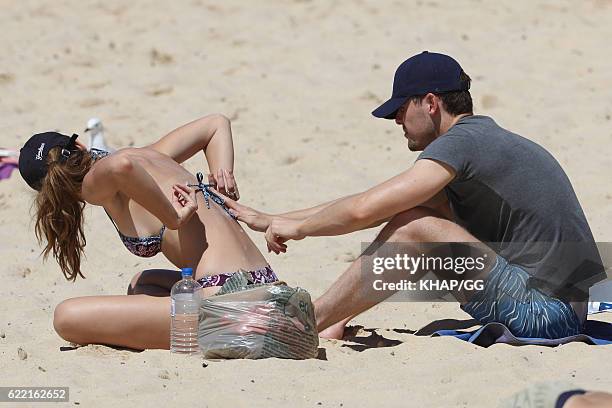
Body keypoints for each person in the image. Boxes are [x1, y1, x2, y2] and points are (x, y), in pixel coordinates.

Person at [223, 51, 606, 340]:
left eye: (400, 109)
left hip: (549, 315)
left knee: (417, 226)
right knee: (420, 213)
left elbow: (362, 211)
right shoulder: (480, 138)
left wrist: (301, 229)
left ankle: (302, 326)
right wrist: (276, 218)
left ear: (431, 103)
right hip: (559, 304)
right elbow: (376, 203)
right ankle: (333, 319)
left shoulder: (462, 143)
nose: (395, 120)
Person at [18, 114, 279, 350]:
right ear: (79, 146)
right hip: (265, 282)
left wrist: (173, 218)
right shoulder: (149, 155)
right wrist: (224, 181)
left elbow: (121, 165)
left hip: (228, 303)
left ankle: (229, 330)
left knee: (66, 318)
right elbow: (215, 124)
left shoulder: (94, 183)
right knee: (141, 283)